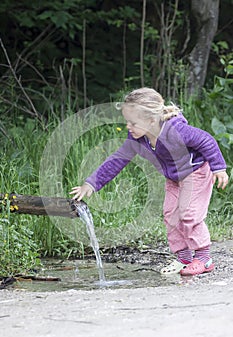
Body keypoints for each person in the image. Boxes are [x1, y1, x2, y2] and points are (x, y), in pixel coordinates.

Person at [70, 87, 229, 276]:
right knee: (170, 215)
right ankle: (184, 258)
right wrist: (92, 183)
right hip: (174, 178)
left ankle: (204, 258)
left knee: (188, 214)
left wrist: (219, 168)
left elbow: (207, 140)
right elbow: (118, 159)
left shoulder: (177, 130)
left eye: (133, 123)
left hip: (196, 173)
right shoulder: (138, 138)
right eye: (127, 122)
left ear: (151, 120)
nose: (128, 127)